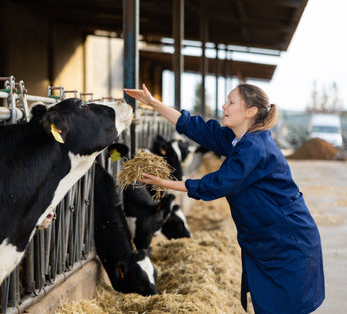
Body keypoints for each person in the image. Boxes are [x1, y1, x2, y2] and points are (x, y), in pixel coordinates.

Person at [124, 83, 324, 314]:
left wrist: (163, 183)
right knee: (270, 305)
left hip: (287, 240)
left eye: (231, 102)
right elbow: (194, 127)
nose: (223, 106)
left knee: (283, 306)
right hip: (268, 237)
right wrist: (153, 103)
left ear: (250, 112)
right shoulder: (237, 139)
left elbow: (217, 184)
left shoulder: (255, 148)